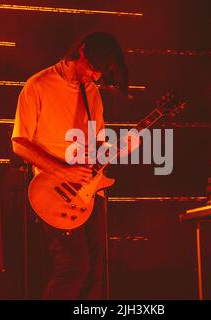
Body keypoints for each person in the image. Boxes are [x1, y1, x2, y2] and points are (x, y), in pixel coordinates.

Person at [11, 32, 129, 299]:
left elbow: (99, 145)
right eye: (94, 68)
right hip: (55, 192)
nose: (96, 76)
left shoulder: (92, 93)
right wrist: (64, 171)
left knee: (96, 272)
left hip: (91, 193)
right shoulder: (38, 85)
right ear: (81, 52)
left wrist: (120, 147)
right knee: (74, 267)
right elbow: (19, 143)